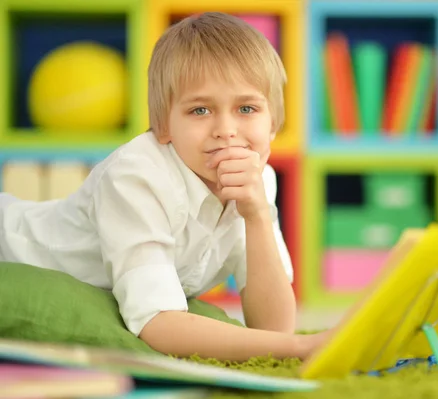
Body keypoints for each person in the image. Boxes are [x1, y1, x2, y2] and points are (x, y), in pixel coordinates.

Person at [0, 12, 332, 362]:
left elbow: (274, 330)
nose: (226, 129)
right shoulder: (136, 177)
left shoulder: (259, 179)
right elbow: (158, 324)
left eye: (246, 108)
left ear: (274, 124)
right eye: (200, 110)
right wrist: (303, 347)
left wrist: (257, 216)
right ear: (163, 126)